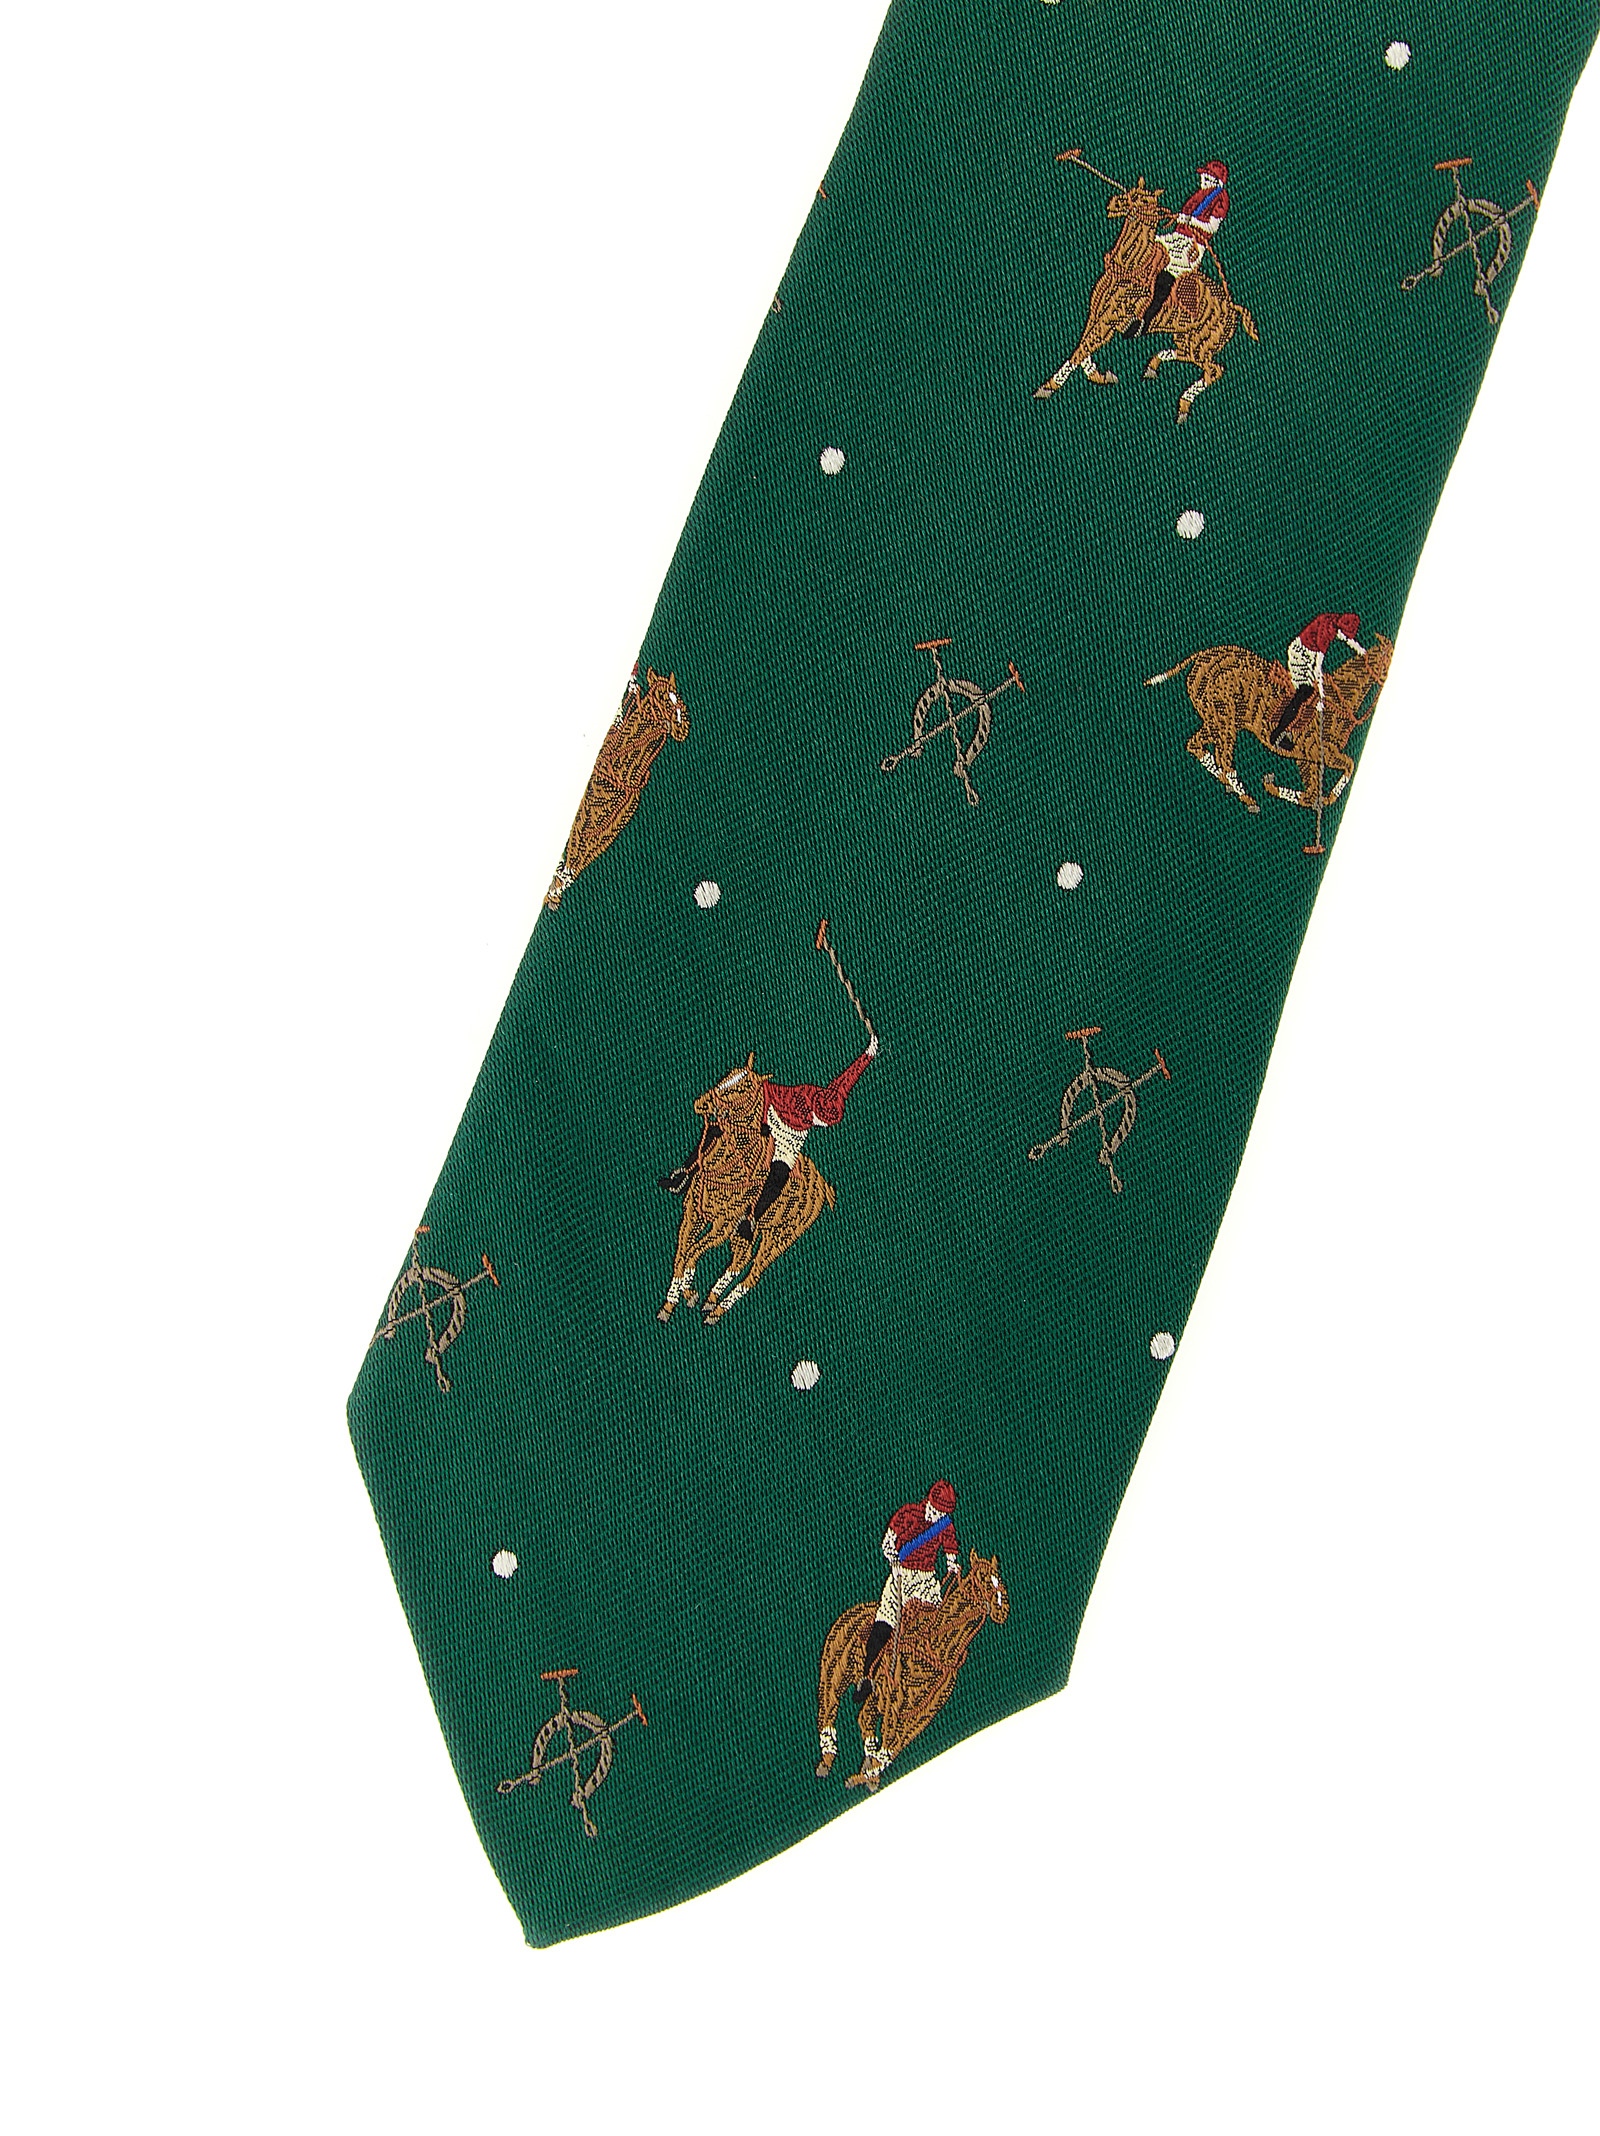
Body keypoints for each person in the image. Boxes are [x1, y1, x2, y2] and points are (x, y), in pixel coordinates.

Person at [660, 1034, 877, 1236]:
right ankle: (685, 1174)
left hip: (794, 1136)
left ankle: (751, 1218)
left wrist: (869, 1053)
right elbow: (769, 1091)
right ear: (815, 1111)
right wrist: (764, 1121)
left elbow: (847, 1079)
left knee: (780, 1174)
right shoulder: (798, 1097)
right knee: (720, 1129)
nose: (819, 1124)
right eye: (820, 1120)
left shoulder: (832, 1097)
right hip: (775, 1114)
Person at [854, 1481, 962, 1706]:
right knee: (885, 1623)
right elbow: (888, 1543)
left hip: (927, 1580)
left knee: (936, 1624)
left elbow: (950, 1546)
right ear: (930, 1503)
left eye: (944, 1513)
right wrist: (894, 1560)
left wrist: (952, 1564)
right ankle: (868, 1675)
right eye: (938, 1510)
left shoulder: (944, 1523)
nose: (940, 1516)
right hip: (902, 1575)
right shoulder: (908, 1514)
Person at [1123, 158, 1230, 339]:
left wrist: (1190, 220)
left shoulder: (1220, 199)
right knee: (1148, 244)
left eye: (1207, 176)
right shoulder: (1200, 194)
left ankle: (1145, 320)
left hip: (1192, 245)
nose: (1202, 179)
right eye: (1203, 175)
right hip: (1178, 237)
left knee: (1167, 276)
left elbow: (1212, 227)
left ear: (1215, 180)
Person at [1270, 612, 1367, 747]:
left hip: (1310, 654)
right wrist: (1322, 696)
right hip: (1301, 653)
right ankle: (1277, 734)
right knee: (1304, 692)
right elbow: (1318, 669)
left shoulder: (1334, 621)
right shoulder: (1326, 631)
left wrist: (1361, 651)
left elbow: (1345, 638)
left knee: (1308, 692)